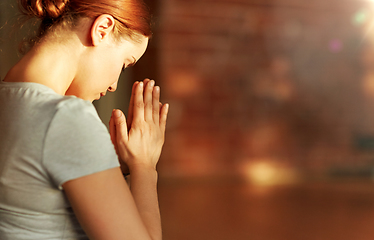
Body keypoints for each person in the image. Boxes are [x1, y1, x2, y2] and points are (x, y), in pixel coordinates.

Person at [0, 0, 169, 239]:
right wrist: (144, 166)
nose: (114, 85)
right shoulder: (65, 117)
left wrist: (106, 166)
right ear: (102, 29)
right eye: (124, 64)